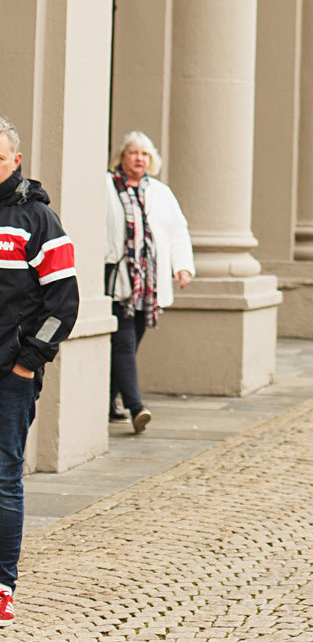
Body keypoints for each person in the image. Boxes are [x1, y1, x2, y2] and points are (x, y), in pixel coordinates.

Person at [0, 117, 79, 627]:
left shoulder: (37, 219)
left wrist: (28, 363)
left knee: (3, 476)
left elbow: (63, 304)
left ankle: (2, 583)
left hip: (11, 374)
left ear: (15, 161)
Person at [105, 133, 195, 432]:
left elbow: (177, 231)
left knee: (129, 346)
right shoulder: (107, 186)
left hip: (150, 286)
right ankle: (136, 407)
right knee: (124, 342)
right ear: (122, 157)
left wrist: (182, 267)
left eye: (144, 153)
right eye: (133, 152)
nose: (139, 158)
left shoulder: (160, 192)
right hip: (119, 284)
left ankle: (107, 399)